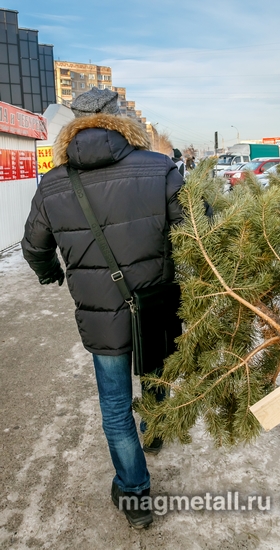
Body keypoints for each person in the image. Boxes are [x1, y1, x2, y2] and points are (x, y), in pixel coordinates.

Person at [21, 87, 185, 529]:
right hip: (153, 300)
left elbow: (33, 245)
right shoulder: (159, 168)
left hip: (99, 310)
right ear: (122, 120)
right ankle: (154, 431)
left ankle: (134, 495)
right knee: (154, 369)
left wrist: (51, 273)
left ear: (71, 126)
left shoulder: (54, 182)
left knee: (114, 405)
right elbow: (196, 233)